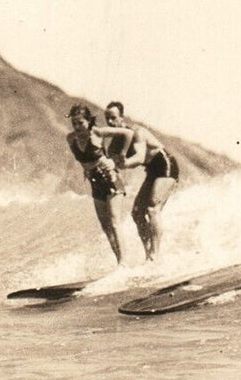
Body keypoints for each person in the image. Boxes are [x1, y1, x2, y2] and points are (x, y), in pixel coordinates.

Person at [103, 101, 180, 261]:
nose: (110, 123)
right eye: (107, 119)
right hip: (151, 171)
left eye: (113, 118)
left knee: (152, 209)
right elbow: (114, 165)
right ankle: (148, 254)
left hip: (165, 164)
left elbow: (139, 157)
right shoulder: (114, 146)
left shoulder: (136, 132)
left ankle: (155, 255)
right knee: (137, 213)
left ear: (121, 118)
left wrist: (123, 163)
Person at [65, 104, 136, 265]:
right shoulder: (70, 138)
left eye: (80, 123)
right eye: (74, 123)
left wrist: (119, 157)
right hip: (95, 183)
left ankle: (124, 263)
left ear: (88, 121)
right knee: (106, 227)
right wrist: (86, 169)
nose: (77, 127)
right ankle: (120, 261)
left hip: (110, 179)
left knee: (114, 221)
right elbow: (84, 159)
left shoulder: (97, 132)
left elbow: (128, 133)